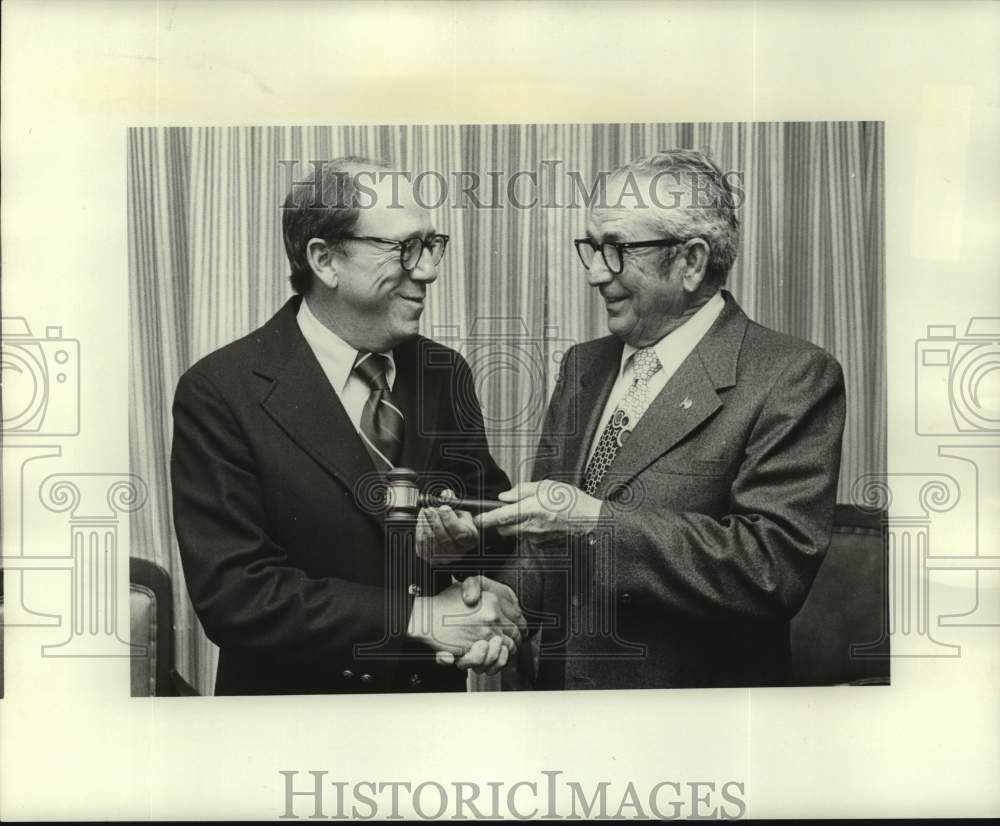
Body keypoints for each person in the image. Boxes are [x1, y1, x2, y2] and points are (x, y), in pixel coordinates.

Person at [476, 149, 847, 689]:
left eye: (617, 250)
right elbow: (548, 543)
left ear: (691, 262)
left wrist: (595, 522)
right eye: (593, 248)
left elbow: (771, 569)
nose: (596, 274)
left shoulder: (791, 376)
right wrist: (507, 606)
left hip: (687, 724)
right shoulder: (584, 366)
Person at [171, 157, 523, 695]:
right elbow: (235, 596)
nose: (427, 269)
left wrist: (475, 576)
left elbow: (492, 527)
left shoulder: (444, 373)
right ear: (325, 259)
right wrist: (419, 616)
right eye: (403, 248)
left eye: (430, 246)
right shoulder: (221, 391)